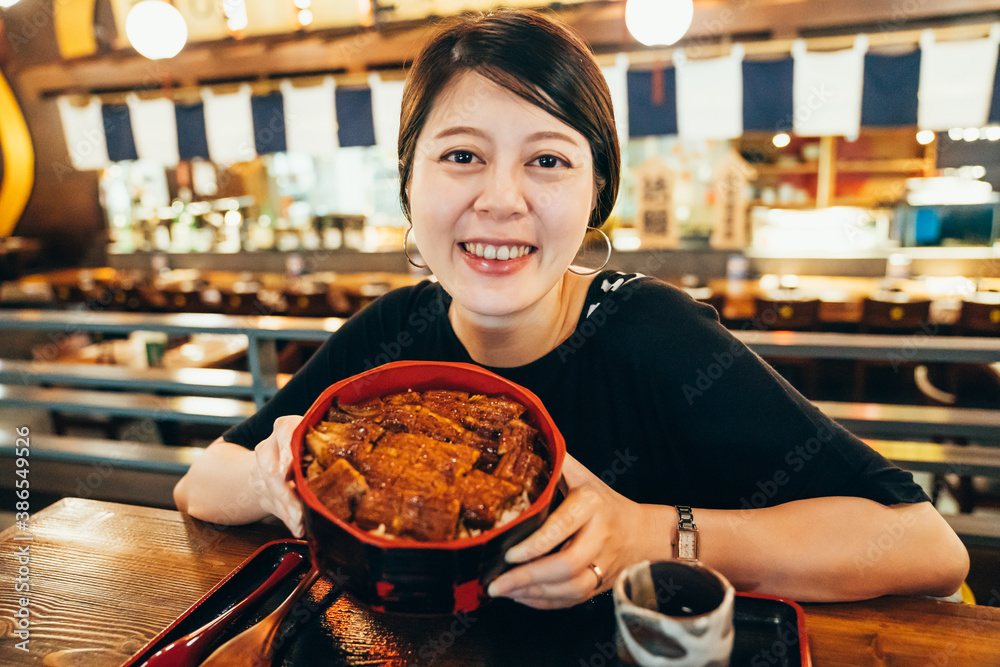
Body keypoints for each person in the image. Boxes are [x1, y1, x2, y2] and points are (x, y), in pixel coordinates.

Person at [174, 8, 968, 610]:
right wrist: (274, 478)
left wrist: (650, 535)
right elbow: (201, 482)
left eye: (547, 160)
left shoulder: (654, 333)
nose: (501, 199)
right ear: (408, 186)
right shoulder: (393, 332)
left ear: (595, 195)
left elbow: (924, 544)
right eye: (461, 156)